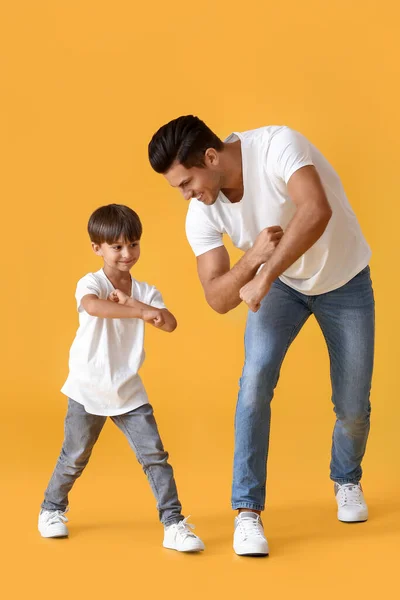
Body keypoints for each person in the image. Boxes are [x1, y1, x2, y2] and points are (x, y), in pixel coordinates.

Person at [148, 116, 374, 556]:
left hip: (345, 281)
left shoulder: (276, 145)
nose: (186, 195)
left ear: (211, 157)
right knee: (254, 385)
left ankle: (346, 480)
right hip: (283, 288)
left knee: (352, 404)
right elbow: (217, 297)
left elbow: (316, 209)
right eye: (178, 188)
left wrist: (265, 274)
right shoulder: (201, 212)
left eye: (187, 182)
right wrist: (253, 257)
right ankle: (247, 512)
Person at [38, 203, 205, 553]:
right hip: (87, 388)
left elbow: (170, 323)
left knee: (155, 457)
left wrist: (141, 306)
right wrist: (137, 310)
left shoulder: (145, 290)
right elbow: (94, 306)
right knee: (75, 456)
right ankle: (51, 509)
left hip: (128, 390)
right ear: (97, 248)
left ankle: (173, 524)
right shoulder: (92, 282)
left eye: (134, 244)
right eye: (117, 247)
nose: (127, 254)